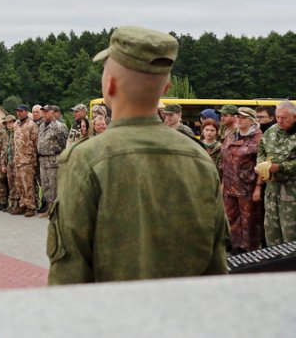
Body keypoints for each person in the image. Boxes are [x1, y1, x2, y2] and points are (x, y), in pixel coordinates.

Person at [47, 26, 228, 284]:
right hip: (185, 308)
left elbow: (69, 275)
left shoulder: (85, 160)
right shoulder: (199, 160)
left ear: (109, 85)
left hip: (113, 309)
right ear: (166, 87)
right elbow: (216, 267)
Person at [221, 107, 263, 254]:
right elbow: (225, 160)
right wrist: (223, 183)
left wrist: (258, 187)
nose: (239, 119)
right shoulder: (232, 134)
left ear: (251, 121)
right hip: (229, 184)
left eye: (243, 117)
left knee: (248, 218)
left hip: (247, 186)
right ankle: (234, 243)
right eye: (237, 117)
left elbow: (261, 164)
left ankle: (248, 247)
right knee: (230, 215)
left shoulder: (258, 138)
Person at [255, 101, 296, 245]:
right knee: (272, 231)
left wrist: (280, 167)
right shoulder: (272, 131)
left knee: (291, 233)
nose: (279, 121)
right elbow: (261, 149)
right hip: (272, 189)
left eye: (283, 118)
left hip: (292, 190)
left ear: (294, 117)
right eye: (277, 117)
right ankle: (275, 259)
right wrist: (261, 164)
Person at [37, 105, 68, 217]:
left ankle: (56, 211)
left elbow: (63, 144)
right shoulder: (41, 125)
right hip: (43, 160)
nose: (44, 114)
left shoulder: (59, 126)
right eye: (43, 112)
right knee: (45, 186)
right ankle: (49, 210)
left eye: (46, 112)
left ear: (53, 112)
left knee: (54, 186)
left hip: (53, 161)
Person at [12, 104, 38, 217]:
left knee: (28, 185)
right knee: (19, 184)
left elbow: (36, 142)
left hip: (28, 160)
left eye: (21, 111)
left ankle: (30, 207)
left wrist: (34, 158)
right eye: (17, 111)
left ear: (26, 112)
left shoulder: (32, 125)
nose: (19, 113)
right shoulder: (16, 124)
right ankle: (22, 205)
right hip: (18, 159)